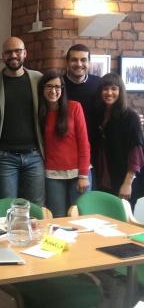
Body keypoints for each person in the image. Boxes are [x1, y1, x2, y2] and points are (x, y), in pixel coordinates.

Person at [0, 37, 45, 205]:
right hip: (4, 157)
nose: (13, 55)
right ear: (3, 56)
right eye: (8, 52)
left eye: (17, 51)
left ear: (25, 53)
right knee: (7, 206)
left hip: (34, 155)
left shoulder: (38, 79)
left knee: (36, 206)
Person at [38, 70, 90, 218]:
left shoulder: (74, 107)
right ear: (42, 88)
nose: (53, 91)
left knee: (79, 218)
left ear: (62, 89)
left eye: (57, 87)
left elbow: (84, 143)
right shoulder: (40, 113)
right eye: (49, 86)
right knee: (58, 218)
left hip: (78, 173)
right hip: (53, 175)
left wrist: (83, 175)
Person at [92, 73, 144, 204]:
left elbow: (136, 153)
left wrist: (127, 183)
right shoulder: (99, 114)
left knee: (123, 216)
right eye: (105, 89)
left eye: (114, 89)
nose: (109, 93)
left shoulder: (130, 117)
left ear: (120, 91)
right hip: (103, 179)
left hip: (124, 180)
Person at [63, 43, 101, 189]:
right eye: (74, 60)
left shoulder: (99, 84)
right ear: (67, 62)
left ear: (89, 62)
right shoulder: (58, 85)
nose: (79, 64)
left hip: (95, 150)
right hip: (66, 153)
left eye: (83, 60)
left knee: (91, 195)